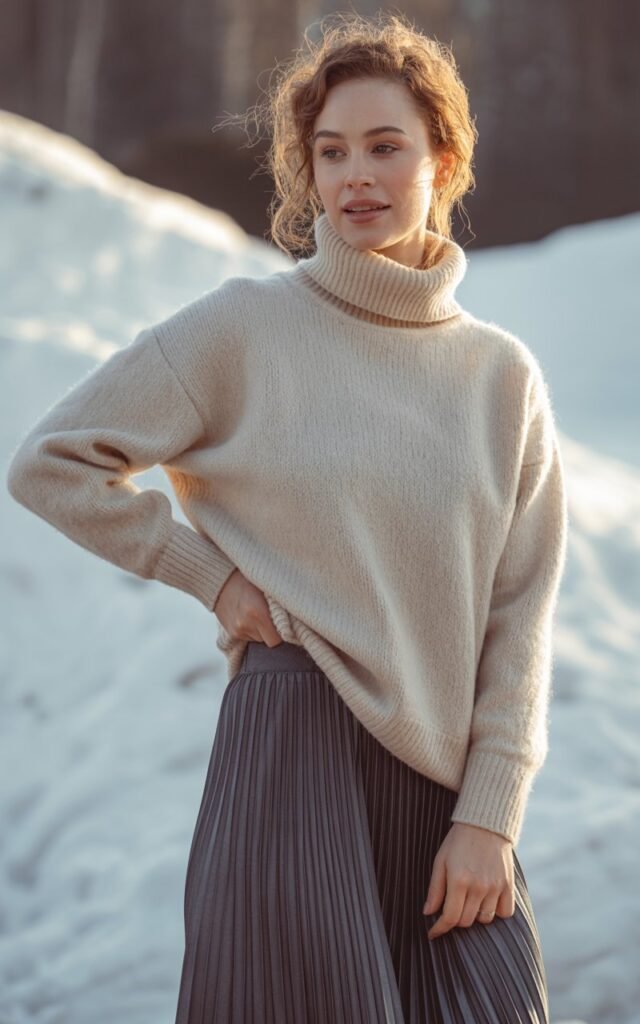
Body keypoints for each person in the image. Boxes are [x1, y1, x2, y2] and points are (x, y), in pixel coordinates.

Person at [6, 10, 568, 1023]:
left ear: (442, 158)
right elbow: (52, 461)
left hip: (444, 792)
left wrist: (491, 816)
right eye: (331, 150)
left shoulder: (500, 379)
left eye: (385, 146)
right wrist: (210, 576)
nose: (354, 173)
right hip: (292, 745)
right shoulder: (243, 328)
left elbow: (519, 620)